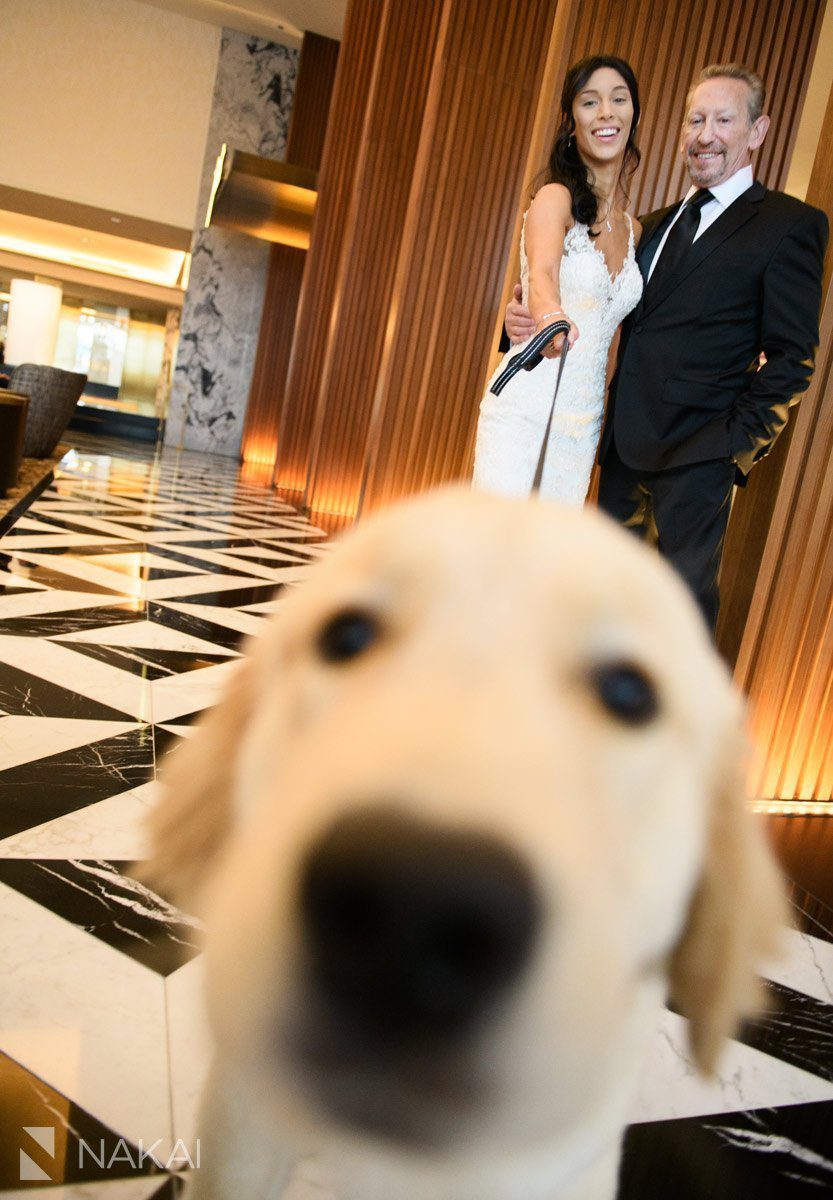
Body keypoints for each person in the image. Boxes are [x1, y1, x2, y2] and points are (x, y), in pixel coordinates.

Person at [506, 62, 828, 631]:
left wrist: (733, 448)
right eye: (695, 119)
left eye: (723, 120)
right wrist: (518, 321)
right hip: (622, 447)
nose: (705, 134)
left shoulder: (789, 224)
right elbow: (591, 311)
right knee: (600, 611)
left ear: (756, 132)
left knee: (680, 622)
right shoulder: (646, 227)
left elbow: (793, 358)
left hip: (701, 458)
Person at [472, 56, 644, 505]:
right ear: (572, 122)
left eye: (618, 99)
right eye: (591, 102)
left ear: (632, 116)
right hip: (527, 407)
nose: (606, 112)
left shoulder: (635, 230)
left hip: (583, 425)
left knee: (550, 566)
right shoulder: (554, 197)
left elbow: (615, 337)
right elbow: (542, 274)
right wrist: (550, 322)